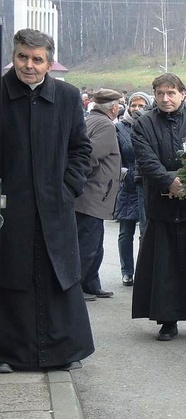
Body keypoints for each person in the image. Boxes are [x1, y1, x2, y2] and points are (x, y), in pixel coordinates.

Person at [0, 28, 94, 373]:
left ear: (48, 62)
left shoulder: (67, 97)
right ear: (13, 56)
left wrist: (68, 188)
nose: (28, 65)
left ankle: (65, 350)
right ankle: (9, 352)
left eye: (37, 59)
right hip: (11, 208)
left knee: (60, 275)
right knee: (12, 275)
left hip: (56, 205)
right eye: (22, 57)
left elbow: (80, 149)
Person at [131, 73, 186, 341]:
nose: (165, 99)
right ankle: (167, 320)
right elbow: (145, 158)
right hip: (160, 204)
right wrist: (169, 180)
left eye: (171, 93)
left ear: (182, 93)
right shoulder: (143, 122)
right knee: (164, 266)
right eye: (160, 94)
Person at [75, 89, 123, 301]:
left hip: (91, 194)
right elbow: (91, 155)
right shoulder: (105, 125)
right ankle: (77, 288)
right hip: (93, 194)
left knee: (95, 241)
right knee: (88, 243)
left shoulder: (91, 119)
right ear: (114, 108)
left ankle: (92, 283)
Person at [115, 91, 151, 287]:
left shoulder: (150, 126)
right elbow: (116, 156)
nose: (137, 109)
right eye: (134, 105)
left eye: (141, 105)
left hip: (146, 183)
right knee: (125, 231)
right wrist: (124, 174)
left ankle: (144, 270)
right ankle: (127, 271)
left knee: (145, 231)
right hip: (128, 184)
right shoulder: (119, 128)